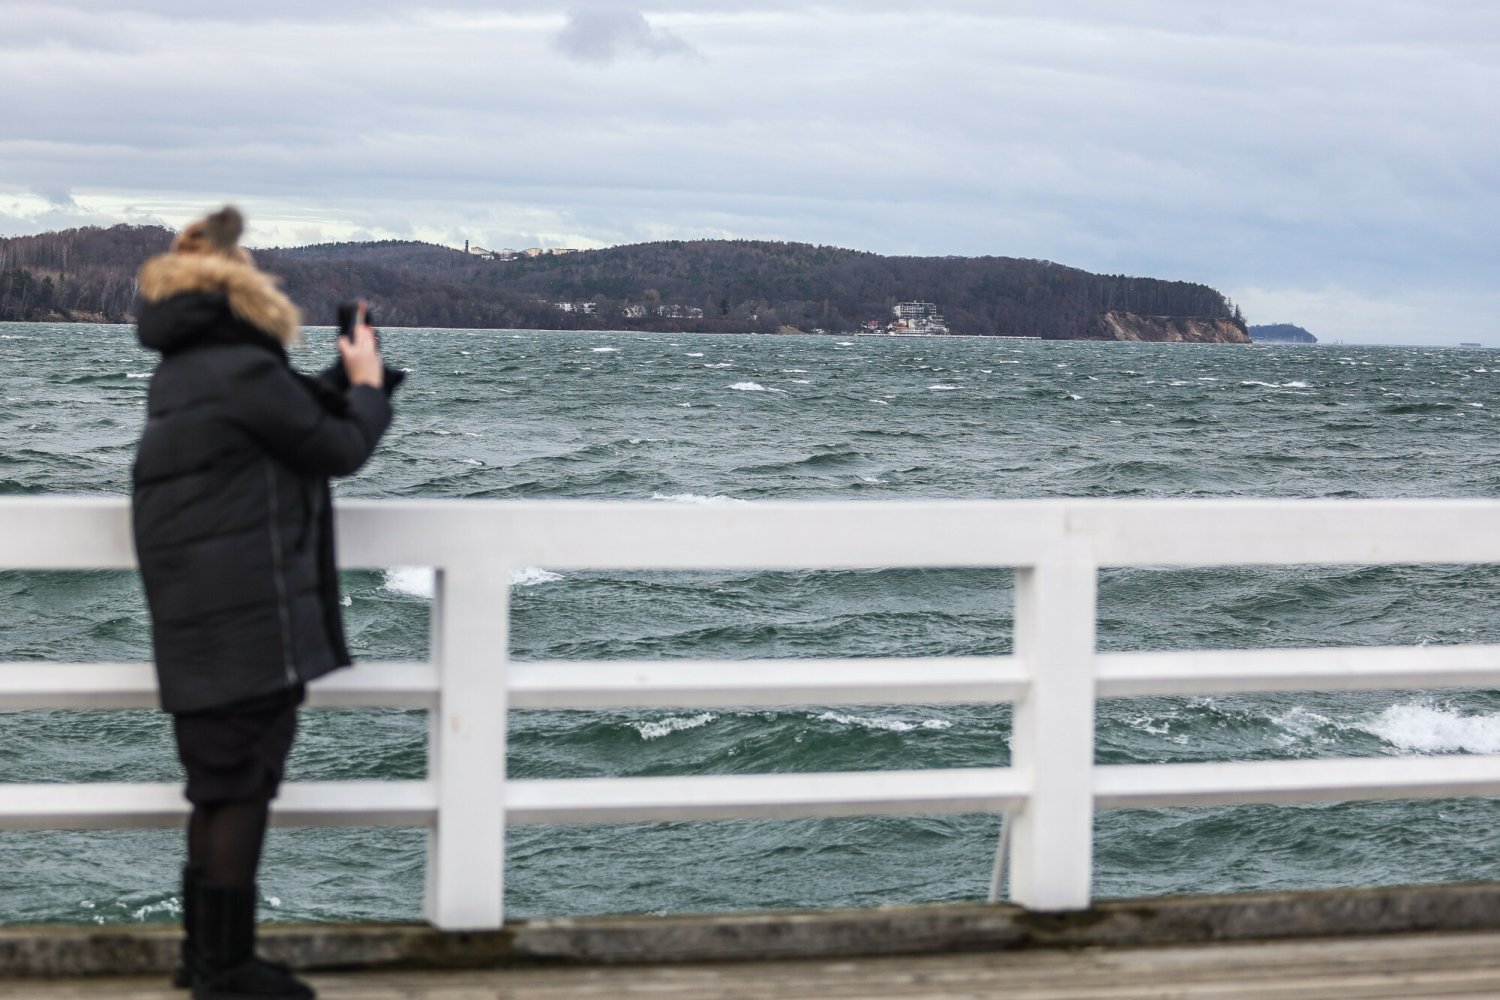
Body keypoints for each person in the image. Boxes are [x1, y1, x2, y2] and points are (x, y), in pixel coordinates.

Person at [131, 207, 400, 1000]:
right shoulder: (241, 370)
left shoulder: (187, 368)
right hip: (247, 617)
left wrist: (336, 390)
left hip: (196, 612)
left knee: (217, 786)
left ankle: (205, 960)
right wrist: (366, 388)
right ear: (245, 295)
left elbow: (270, 434)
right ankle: (228, 972)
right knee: (241, 786)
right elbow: (338, 450)